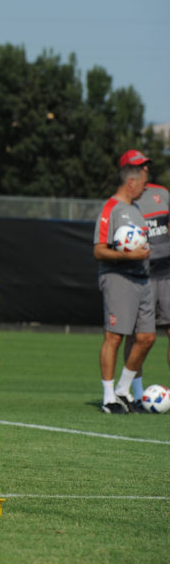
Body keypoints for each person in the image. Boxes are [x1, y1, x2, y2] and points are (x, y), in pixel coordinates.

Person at [93, 151, 156, 413]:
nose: (144, 185)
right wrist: (126, 254)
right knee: (115, 336)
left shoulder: (137, 209)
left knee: (146, 337)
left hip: (143, 280)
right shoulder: (112, 208)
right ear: (131, 182)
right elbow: (98, 250)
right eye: (142, 180)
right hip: (119, 278)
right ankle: (109, 396)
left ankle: (123, 389)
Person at [121, 150, 170, 407]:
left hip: (168, 275)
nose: (144, 171)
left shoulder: (162, 194)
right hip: (140, 278)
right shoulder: (123, 203)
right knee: (138, 337)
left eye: (145, 166)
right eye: (139, 167)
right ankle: (136, 394)